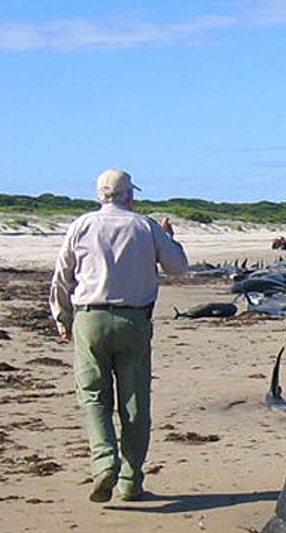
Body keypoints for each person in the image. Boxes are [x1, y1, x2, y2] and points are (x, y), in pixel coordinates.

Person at [49, 168, 189, 503]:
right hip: (134, 320)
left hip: (89, 318)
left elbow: (62, 276)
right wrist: (170, 238)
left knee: (94, 397)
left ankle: (104, 462)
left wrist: (62, 318)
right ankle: (129, 481)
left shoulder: (81, 225)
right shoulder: (145, 226)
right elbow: (179, 267)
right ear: (129, 195)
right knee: (135, 405)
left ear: (100, 195)